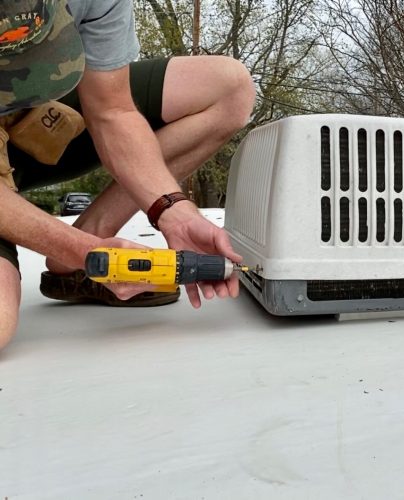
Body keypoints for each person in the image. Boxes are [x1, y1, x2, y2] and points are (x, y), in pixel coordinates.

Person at [0, 0, 256, 351]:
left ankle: (82, 258)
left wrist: (173, 210)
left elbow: (113, 110)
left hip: (33, 119)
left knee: (228, 88)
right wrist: (85, 252)